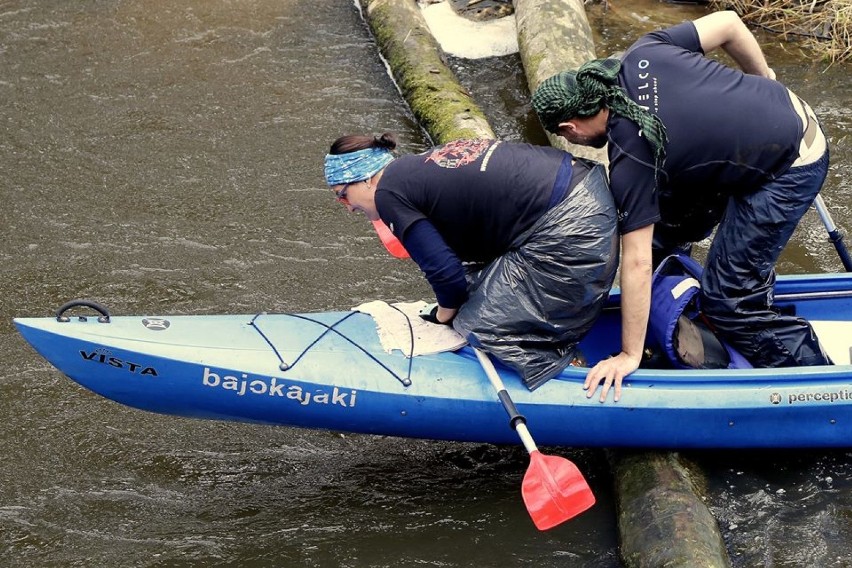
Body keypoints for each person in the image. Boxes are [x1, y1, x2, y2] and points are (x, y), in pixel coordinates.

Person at [531, 10, 832, 402]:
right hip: (768, 119)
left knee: (728, 300)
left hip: (789, 163)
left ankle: (817, 377)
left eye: (565, 135)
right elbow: (728, 23)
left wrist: (628, 355)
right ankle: (673, 316)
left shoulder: (632, 157)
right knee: (662, 237)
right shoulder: (644, 51)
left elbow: (634, 261)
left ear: (570, 128)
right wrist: (764, 77)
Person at [323, 134, 619, 390]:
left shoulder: (388, 194)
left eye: (343, 195)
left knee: (476, 321)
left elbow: (447, 277)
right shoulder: (410, 168)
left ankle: (563, 368)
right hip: (585, 189)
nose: (347, 208)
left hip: (574, 226)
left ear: (365, 178)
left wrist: (443, 317)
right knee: (475, 284)